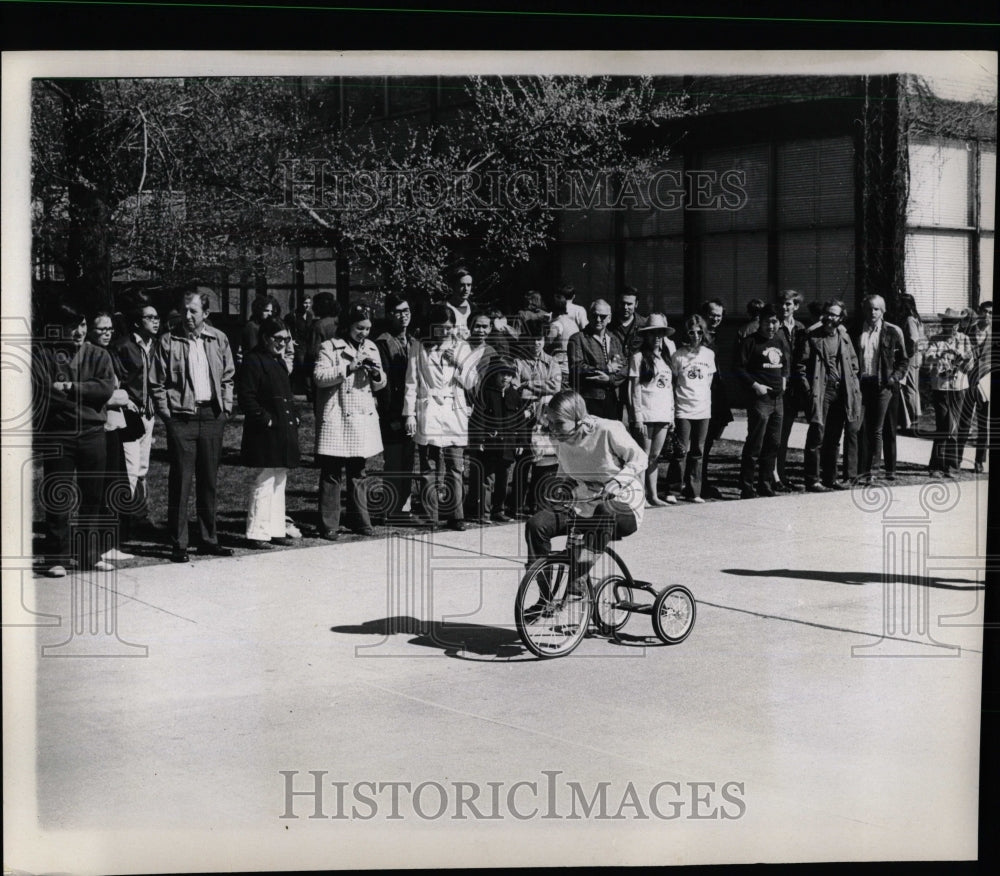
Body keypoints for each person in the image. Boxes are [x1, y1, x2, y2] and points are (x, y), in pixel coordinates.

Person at [524, 390, 647, 586]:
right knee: (537, 524)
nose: (553, 430)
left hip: (623, 504)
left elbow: (640, 458)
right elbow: (565, 464)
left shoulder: (607, 430)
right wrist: (562, 485)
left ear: (578, 418)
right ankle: (545, 596)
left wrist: (617, 482)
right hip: (584, 503)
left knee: (604, 510)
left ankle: (579, 574)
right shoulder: (560, 438)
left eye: (559, 424)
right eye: (551, 423)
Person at [150, 287, 236, 562]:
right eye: (185, 310)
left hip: (212, 416)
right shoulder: (167, 341)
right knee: (182, 481)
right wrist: (168, 417)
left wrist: (226, 408)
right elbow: (156, 383)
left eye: (193, 311)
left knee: (209, 481)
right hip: (181, 419)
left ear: (206, 314)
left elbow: (228, 377)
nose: (187, 316)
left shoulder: (219, 339)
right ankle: (179, 543)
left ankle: (209, 539)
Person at [33, 302, 116, 576]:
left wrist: (70, 387)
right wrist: (85, 398)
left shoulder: (100, 355)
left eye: (81, 325)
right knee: (58, 496)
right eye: (72, 327)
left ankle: (89, 555)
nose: (79, 332)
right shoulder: (45, 356)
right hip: (59, 435)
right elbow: (45, 393)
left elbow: (105, 389)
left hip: (93, 435)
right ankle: (55, 556)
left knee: (92, 495)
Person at [403, 304, 480, 531]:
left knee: (455, 466)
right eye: (441, 328)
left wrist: (457, 363)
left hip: (454, 411)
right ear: (431, 326)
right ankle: (432, 516)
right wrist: (409, 414)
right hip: (428, 410)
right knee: (429, 467)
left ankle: (457, 515)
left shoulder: (462, 347)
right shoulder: (418, 346)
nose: (446, 332)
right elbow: (411, 382)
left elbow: (472, 381)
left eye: (450, 328)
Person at [314, 304, 386, 539]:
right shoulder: (329, 347)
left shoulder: (372, 347)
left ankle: (360, 520)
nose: (364, 333)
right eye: (359, 328)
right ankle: (329, 524)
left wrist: (376, 374)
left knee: (358, 471)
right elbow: (319, 377)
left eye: (367, 329)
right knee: (332, 472)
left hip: (361, 417)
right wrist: (349, 366)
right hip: (337, 415)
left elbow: (380, 382)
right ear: (347, 326)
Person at [236, 318, 301, 548]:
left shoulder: (279, 362)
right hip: (265, 432)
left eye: (286, 339)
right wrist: (267, 420)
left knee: (279, 479)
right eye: (278, 339)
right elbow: (246, 397)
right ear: (265, 338)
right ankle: (256, 532)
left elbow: (286, 396)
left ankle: (275, 529)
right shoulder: (254, 361)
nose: (282, 343)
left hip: (282, 430)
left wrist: (293, 416)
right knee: (264, 480)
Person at [795, 299, 862, 491]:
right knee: (817, 434)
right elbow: (800, 367)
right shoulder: (813, 337)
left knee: (834, 437)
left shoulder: (844, 337)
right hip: (821, 391)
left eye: (835, 314)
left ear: (841, 318)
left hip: (841, 391)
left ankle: (830, 478)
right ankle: (812, 479)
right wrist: (809, 391)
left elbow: (854, 363)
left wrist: (852, 382)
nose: (830, 317)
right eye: (828, 313)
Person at [110, 293, 162, 535]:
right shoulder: (123, 346)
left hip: (148, 413)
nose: (155, 321)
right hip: (129, 413)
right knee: (129, 468)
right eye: (149, 317)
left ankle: (140, 517)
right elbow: (115, 380)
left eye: (156, 317)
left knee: (142, 467)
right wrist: (126, 401)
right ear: (137, 322)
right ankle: (122, 522)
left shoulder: (158, 346)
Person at [90, 311, 138, 560]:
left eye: (109, 329)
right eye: (101, 329)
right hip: (100, 428)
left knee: (115, 483)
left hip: (115, 427)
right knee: (103, 485)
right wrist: (121, 397)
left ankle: (109, 543)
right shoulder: (90, 355)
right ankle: (100, 544)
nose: (107, 333)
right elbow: (103, 393)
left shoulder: (107, 354)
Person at [851, 294, 908, 483]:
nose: (872, 312)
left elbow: (903, 360)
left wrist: (894, 378)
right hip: (862, 384)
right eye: (868, 308)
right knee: (860, 427)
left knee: (881, 429)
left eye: (876, 309)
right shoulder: (856, 330)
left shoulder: (893, 331)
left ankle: (875, 471)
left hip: (884, 385)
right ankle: (861, 470)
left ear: (883, 311)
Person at [736, 304, 789, 499]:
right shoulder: (750, 342)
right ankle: (747, 486)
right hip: (760, 400)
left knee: (773, 443)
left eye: (775, 322)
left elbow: (785, 365)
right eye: (767, 322)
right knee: (755, 444)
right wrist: (755, 386)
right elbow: (739, 368)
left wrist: (784, 379)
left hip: (777, 400)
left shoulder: (779, 341)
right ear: (760, 322)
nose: (771, 326)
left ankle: (765, 484)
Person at [509, 320, 562, 517]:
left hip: (544, 416)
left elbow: (555, 387)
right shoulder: (518, 362)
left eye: (539, 340)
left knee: (544, 461)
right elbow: (515, 389)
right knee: (523, 461)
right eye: (532, 340)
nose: (535, 344)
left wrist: (528, 385)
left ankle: (536, 504)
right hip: (524, 416)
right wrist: (538, 386)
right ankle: (515, 505)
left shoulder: (552, 362)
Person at [374, 294, 420, 523]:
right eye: (399, 312)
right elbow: (384, 383)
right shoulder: (382, 342)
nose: (404, 316)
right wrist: (389, 413)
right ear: (390, 314)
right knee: (393, 461)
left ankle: (404, 507)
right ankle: (390, 509)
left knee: (408, 460)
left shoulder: (413, 341)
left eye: (407, 311)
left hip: (411, 409)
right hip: (392, 409)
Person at [466, 356, 527, 524]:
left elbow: (520, 420)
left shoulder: (514, 394)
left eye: (509, 374)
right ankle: (483, 513)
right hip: (489, 444)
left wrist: (521, 442)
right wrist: (479, 440)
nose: (505, 378)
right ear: (494, 374)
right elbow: (477, 419)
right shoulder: (485, 393)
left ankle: (498, 510)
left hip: (508, 445)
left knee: (503, 478)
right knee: (487, 479)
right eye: (502, 374)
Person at [628, 313, 678, 507]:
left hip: (663, 414)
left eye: (660, 334)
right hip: (646, 414)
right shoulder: (638, 357)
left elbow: (669, 389)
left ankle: (653, 495)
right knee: (642, 457)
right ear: (646, 336)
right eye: (653, 334)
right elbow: (634, 390)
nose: (657, 337)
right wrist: (637, 417)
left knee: (655, 457)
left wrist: (671, 415)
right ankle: (640, 497)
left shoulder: (666, 358)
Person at [922, 307, 975, 478]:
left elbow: (970, 366)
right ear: (943, 324)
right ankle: (936, 465)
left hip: (959, 387)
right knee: (944, 424)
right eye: (948, 323)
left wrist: (963, 360)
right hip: (941, 387)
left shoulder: (965, 340)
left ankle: (951, 465)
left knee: (955, 426)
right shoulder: (936, 340)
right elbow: (927, 360)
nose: (951, 327)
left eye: (954, 324)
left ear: (959, 324)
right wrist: (940, 356)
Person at [671, 315, 716, 503]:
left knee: (698, 451)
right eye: (692, 332)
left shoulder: (708, 354)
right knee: (680, 451)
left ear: (704, 333)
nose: (695, 336)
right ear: (686, 333)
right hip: (683, 408)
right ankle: (673, 489)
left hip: (703, 409)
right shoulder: (678, 355)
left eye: (699, 332)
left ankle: (694, 491)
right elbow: (673, 382)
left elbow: (709, 382)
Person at [567, 299, 627, 420]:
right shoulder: (578, 339)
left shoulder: (615, 339)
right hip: (588, 400)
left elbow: (625, 368)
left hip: (613, 400)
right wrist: (606, 368)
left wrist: (609, 379)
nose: (598, 319)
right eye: (595, 316)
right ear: (589, 316)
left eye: (603, 316)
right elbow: (576, 367)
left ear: (609, 318)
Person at [698, 298, 733, 499]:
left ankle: (702, 480)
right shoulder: (697, 336)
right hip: (700, 395)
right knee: (698, 442)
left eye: (719, 315)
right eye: (712, 314)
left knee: (709, 441)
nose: (715, 319)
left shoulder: (720, 337)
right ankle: (694, 482)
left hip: (717, 395)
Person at [774, 289, 808, 491]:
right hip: (778, 383)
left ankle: (781, 473)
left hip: (793, 388)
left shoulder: (801, 328)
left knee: (784, 433)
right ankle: (772, 475)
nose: (784, 308)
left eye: (788, 304)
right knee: (774, 434)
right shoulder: (773, 327)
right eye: (782, 304)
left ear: (795, 306)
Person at [958, 300, 992, 474]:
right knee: (963, 422)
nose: (988, 315)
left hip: (986, 385)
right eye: (985, 311)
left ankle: (979, 461)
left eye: (991, 313)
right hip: (967, 382)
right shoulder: (966, 331)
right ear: (979, 312)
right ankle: (956, 459)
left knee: (984, 424)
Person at [891, 291, 927, 434]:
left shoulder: (910, 319)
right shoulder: (915, 318)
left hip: (911, 356)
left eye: (900, 302)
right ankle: (911, 417)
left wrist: (907, 355)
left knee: (910, 388)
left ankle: (913, 418)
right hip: (915, 355)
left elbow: (913, 339)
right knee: (912, 387)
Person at [305, 292, 341, 404]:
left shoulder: (318, 325)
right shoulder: (339, 322)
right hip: (340, 370)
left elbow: (313, 353)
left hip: (323, 372)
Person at [285, 294, 315, 395]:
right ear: (300, 303)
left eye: (309, 303)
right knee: (301, 366)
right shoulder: (292, 316)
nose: (307, 305)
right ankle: (291, 390)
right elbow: (286, 329)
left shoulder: (310, 315)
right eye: (305, 303)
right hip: (298, 346)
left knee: (308, 367)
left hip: (308, 345)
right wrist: (290, 341)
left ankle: (309, 392)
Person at [609, 285, 649, 358]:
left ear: (636, 304)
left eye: (629, 304)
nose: (625, 307)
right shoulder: (608, 323)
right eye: (622, 303)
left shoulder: (644, 324)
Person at [239, 295, 275, 364]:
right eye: (266, 310)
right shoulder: (252, 326)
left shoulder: (266, 325)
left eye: (271, 311)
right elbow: (253, 351)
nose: (270, 314)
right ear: (258, 310)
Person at [445, 268, 474, 339]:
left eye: (469, 285)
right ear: (453, 286)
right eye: (462, 285)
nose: (466, 289)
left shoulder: (475, 310)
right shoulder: (442, 309)